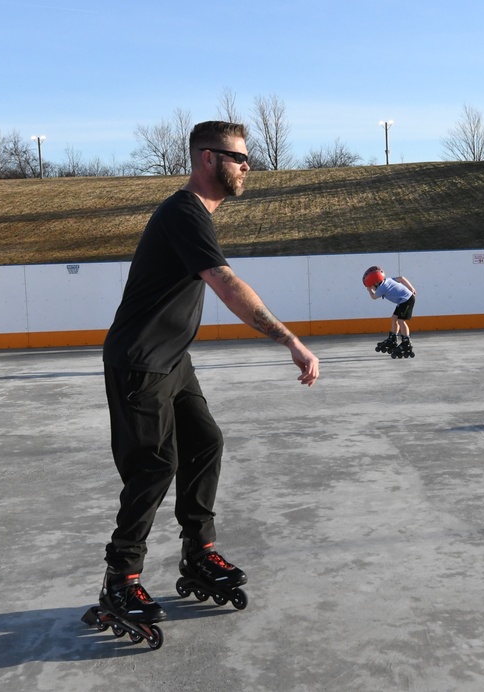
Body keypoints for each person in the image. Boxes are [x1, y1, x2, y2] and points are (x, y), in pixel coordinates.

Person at [98, 121, 320, 624]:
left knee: (205, 443)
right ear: (207, 159)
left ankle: (198, 552)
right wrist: (289, 340)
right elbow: (225, 282)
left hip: (173, 361)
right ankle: (121, 579)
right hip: (139, 363)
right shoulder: (183, 211)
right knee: (153, 467)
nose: (247, 167)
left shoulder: (194, 214)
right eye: (239, 157)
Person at [363, 266, 417, 356]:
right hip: (403, 300)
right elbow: (401, 278)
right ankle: (393, 338)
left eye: (370, 285)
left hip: (407, 300)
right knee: (394, 318)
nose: (370, 287)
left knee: (401, 321)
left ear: (376, 283)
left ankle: (406, 343)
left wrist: (370, 291)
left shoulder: (381, 288)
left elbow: (374, 297)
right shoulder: (387, 280)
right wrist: (411, 288)